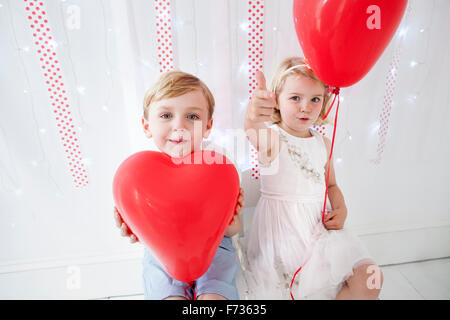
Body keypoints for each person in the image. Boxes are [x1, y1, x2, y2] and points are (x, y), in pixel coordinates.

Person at [237, 57, 383, 300]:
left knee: (369, 280)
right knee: (295, 288)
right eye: (295, 98)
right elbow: (253, 128)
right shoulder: (273, 139)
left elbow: (331, 184)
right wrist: (253, 114)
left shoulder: (322, 142)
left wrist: (341, 207)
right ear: (277, 101)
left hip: (320, 230)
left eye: (315, 99)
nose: (306, 107)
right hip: (282, 233)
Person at [114, 70, 245, 300]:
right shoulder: (139, 174)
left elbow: (233, 230)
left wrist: (231, 221)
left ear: (207, 126)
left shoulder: (220, 168)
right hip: (161, 254)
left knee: (215, 298)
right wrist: (134, 229)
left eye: (192, 117)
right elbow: (142, 229)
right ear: (146, 126)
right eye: (166, 115)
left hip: (214, 250)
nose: (180, 126)